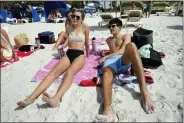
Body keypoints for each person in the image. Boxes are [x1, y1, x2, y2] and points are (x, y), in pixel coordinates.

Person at [17, 10, 90, 108]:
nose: (75, 18)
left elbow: (87, 43)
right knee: (52, 73)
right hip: (69, 53)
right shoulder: (68, 27)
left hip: (80, 55)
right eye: (73, 16)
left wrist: (88, 54)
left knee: (69, 72)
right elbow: (68, 40)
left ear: (82, 19)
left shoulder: (85, 27)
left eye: (78, 17)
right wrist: (62, 47)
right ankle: (31, 98)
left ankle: (56, 99)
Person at [94, 18, 155, 122]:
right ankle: (107, 111)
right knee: (106, 74)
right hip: (111, 62)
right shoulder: (108, 40)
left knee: (131, 46)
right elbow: (112, 51)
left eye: (113, 26)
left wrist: (106, 57)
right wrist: (107, 55)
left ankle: (144, 92)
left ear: (119, 27)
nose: (111, 28)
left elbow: (122, 50)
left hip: (123, 59)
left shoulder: (125, 36)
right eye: (109, 26)